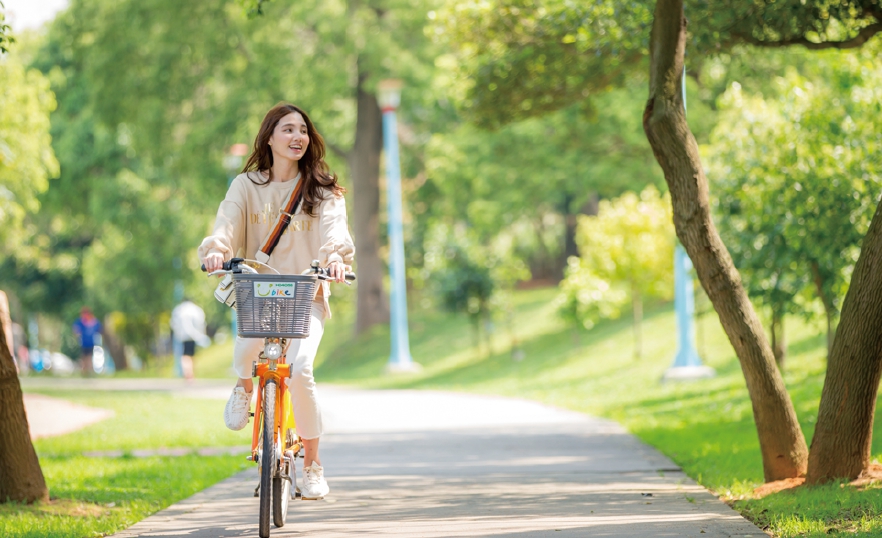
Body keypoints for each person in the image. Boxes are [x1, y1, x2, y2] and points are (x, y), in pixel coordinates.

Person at [198, 103, 354, 500]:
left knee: (300, 370)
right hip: (260, 293)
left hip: (306, 293)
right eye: (287, 129)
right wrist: (216, 251)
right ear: (269, 137)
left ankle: (313, 465)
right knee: (247, 349)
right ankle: (243, 386)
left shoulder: (322, 190)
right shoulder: (246, 185)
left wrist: (335, 259)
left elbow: (336, 231)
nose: (297, 136)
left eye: (303, 129)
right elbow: (227, 222)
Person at [170, 299, 210, 381]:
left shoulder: (179, 309)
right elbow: (201, 322)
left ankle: (188, 373)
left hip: (182, 336)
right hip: (194, 336)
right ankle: (189, 374)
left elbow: (173, 323)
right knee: (190, 355)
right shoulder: (196, 309)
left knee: (185, 355)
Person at [72, 307, 102, 376]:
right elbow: (76, 329)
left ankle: (89, 371)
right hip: (84, 343)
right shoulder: (81, 321)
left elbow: (99, 329)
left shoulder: (93, 321)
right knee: (84, 357)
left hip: (91, 342)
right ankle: (84, 372)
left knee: (89, 357)